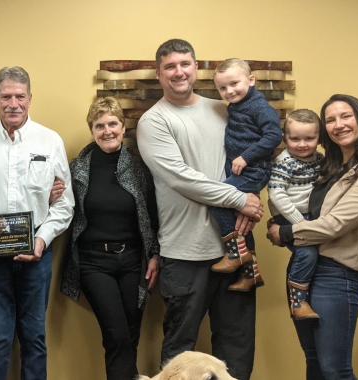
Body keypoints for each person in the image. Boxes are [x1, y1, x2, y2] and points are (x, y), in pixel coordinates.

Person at [136, 39, 263, 380]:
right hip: (184, 253)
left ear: (196, 68)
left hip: (235, 247)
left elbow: (255, 157)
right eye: (170, 66)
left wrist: (252, 196)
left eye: (185, 63)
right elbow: (182, 178)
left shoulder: (224, 109)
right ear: (159, 74)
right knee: (181, 353)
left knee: (237, 348)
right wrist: (240, 200)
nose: (179, 72)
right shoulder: (154, 121)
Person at [267, 94, 358, 379]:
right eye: (330, 119)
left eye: (346, 116)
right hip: (306, 271)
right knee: (314, 362)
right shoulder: (333, 165)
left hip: (337, 274)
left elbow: (333, 226)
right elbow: (301, 205)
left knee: (334, 370)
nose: (338, 124)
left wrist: (286, 232)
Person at [0, 66, 75, 380]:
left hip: (36, 258)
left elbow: (64, 204)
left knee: (34, 338)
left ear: (30, 99)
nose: (13, 103)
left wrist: (41, 240)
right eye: (6, 97)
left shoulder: (50, 141)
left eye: (20, 96)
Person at [60, 96, 160, 380]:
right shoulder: (77, 168)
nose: (107, 131)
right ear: (92, 130)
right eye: (99, 125)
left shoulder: (140, 168)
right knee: (116, 334)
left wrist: (155, 254)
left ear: (123, 126)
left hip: (133, 261)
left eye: (113, 123)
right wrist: (53, 194)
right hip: (93, 263)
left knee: (131, 332)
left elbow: (153, 216)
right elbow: (61, 206)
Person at [207, 58, 282, 291]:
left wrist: (245, 156)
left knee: (217, 199)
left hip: (254, 170)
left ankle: (236, 253)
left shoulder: (259, 106)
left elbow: (274, 136)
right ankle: (252, 274)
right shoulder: (237, 105)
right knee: (242, 225)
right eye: (222, 88)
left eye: (234, 83)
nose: (229, 91)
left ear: (251, 80)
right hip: (243, 170)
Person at [267, 109, 324, 319]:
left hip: (312, 215)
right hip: (290, 216)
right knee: (306, 252)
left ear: (319, 138)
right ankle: (298, 301)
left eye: (309, 138)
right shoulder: (284, 161)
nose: (302, 144)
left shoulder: (319, 159)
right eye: (295, 138)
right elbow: (276, 194)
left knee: (337, 238)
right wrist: (298, 223)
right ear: (285, 138)